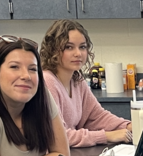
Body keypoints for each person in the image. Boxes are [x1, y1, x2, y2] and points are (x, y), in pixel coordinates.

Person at [40, 19, 132, 147]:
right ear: (53, 50)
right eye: (69, 47)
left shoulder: (77, 80)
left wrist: (127, 126)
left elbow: (96, 116)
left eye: (82, 47)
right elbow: (58, 136)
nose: (78, 53)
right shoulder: (47, 81)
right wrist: (106, 136)